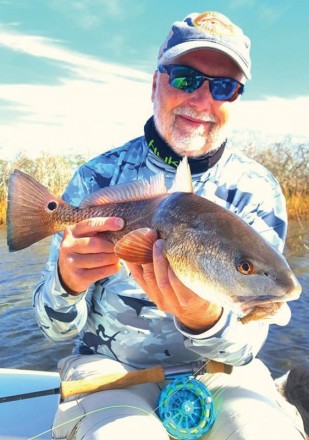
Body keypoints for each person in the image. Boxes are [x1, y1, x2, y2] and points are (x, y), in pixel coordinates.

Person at [33, 10, 306, 440]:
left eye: (223, 87)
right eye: (184, 78)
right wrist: (67, 283)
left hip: (221, 372)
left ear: (237, 99)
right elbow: (53, 330)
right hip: (109, 371)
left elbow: (248, 347)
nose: (202, 99)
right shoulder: (94, 179)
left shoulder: (258, 189)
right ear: (155, 83)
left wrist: (204, 320)